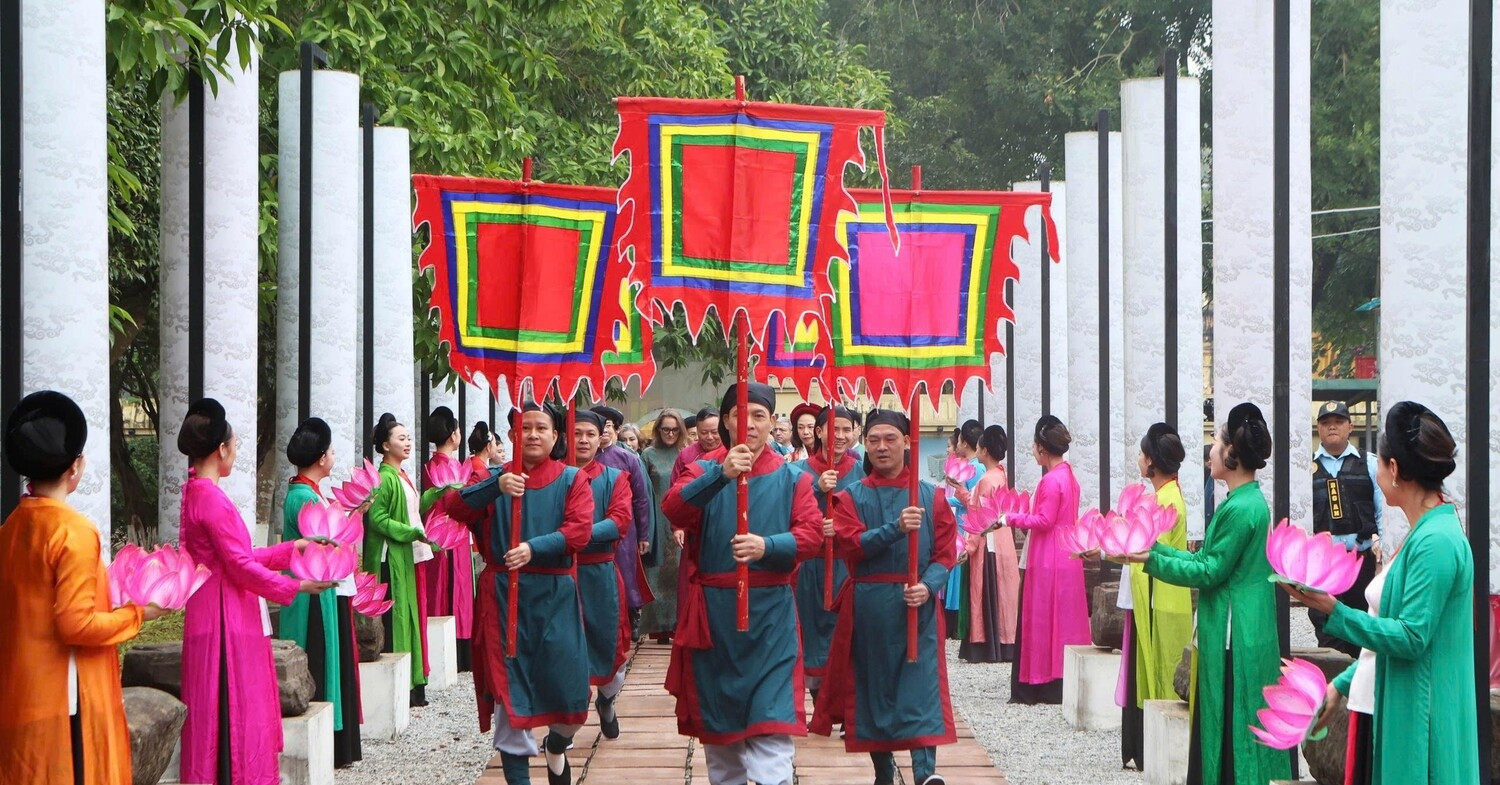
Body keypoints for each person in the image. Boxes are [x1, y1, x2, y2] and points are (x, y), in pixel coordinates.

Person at [1288, 401, 1476, 785]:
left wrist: (1335, 611)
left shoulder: (1435, 541)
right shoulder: (1425, 532)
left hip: (1421, 716)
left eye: (1381, 461)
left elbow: (1410, 637)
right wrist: (1342, 684)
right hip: (1395, 702)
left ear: (1393, 470)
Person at [1119, 402, 1290, 785]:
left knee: (1227, 721)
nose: (1210, 450)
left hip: (1234, 632)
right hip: (1242, 626)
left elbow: (1209, 570)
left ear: (1231, 454)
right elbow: (1208, 560)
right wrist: (1154, 553)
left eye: (1215, 441)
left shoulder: (1240, 509)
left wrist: (1152, 558)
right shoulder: (1245, 503)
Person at [661, 382, 823, 785]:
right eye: (739, 414)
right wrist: (720, 475)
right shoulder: (700, 469)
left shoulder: (793, 479)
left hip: (770, 619)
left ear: (772, 422)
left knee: (772, 732)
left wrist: (767, 546)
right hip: (715, 620)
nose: (748, 423)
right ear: (726, 420)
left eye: (759, 415)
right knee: (722, 741)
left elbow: (812, 536)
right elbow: (674, 509)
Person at [0, 390, 163, 785]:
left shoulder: (11, 528)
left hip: (19, 696)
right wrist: (139, 614)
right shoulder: (73, 531)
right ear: (75, 468)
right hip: (64, 701)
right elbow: (76, 624)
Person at [176, 398, 333, 785]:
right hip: (226, 615)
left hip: (215, 606)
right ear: (221, 449)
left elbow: (235, 556)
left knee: (218, 713)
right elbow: (239, 565)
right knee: (236, 713)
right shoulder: (210, 498)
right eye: (236, 444)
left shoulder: (196, 491)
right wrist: (297, 585)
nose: (236, 451)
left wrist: (290, 549)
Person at [444, 401, 593, 785]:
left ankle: (556, 747)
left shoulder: (572, 479)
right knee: (511, 702)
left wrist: (533, 547)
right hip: (504, 599)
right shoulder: (497, 478)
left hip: (555, 597)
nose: (532, 434)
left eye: (541, 428)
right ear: (512, 434)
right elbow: (453, 507)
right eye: (525, 428)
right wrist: (496, 485)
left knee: (572, 698)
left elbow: (579, 532)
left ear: (555, 436)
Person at [810, 409, 958, 785]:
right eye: (873, 440)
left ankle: (926, 773)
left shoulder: (932, 496)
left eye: (890, 438)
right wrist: (895, 529)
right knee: (874, 689)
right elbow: (851, 544)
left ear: (907, 442)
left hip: (917, 605)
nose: (881, 447)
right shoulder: (850, 497)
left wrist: (928, 586)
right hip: (870, 606)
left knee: (920, 686)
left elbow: (945, 553)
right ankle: (883, 771)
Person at [279, 417, 363, 768]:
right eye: (330, 450)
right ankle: (328, 744)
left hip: (321, 589)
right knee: (319, 656)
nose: (332, 456)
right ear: (321, 458)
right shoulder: (303, 498)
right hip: (311, 593)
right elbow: (323, 544)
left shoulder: (307, 494)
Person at [998, 415, 1090, 704]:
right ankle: (1059, 679)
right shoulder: (1069, 477)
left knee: (1040, 618)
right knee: (1064, 620)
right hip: (1067, 555)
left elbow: (1043, 519)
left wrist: (1008, 518)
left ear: (1042, 448)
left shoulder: (1051, 481)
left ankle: (1037, 680)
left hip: (1047, 557)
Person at [1117, 423, 1193, 770]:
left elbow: (1147, 549)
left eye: (1142, 453)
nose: (1139, 458)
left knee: (1159, 669)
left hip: (1159, 597)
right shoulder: (1165, 495)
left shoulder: (1165, 499)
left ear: (1152, 462)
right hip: (1154, 594)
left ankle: (1152, 748)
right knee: (1148, 667)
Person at [787, 405, 865, 703]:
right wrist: (818, 490)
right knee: (812, 633)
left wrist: (843, 530)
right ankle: (820, 701)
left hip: (846, 567)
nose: (841, 436)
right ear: (818, 432)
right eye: (835, 429)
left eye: (847, 429)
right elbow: (789, 515)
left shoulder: (859, 470)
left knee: (847, 633)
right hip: (809, 568)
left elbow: (866, 517)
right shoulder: (797, 472)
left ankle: (846, 704)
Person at [361, 413, 433, 708]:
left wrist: (439, 494)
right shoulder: (384, 479)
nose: (407, 443)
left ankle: (413, 682)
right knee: (399, 617)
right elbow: (377, 520)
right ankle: (405, 686)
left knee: (409, 615)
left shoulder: (400, 475)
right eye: (401, 438)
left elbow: (412, 509)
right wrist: (411, 532)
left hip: (403, 553)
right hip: (389, 557)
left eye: (408, 438)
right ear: (384, 446)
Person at [570, 410, 633, 739]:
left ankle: (607, 700)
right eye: (577, 433)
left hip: (600, 574)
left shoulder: (614, 478)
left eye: (590, 434)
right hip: (559, 575)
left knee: (613, 653)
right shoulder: (554, 476)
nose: (583, 439)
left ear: (601, 439)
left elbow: (619, 521)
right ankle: (563, 729)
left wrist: (575, 534)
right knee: (563, 649)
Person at [1308, 400, 1384, 657]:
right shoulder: (1305, 469)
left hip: (1360, 561)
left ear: (1350, 426)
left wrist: (1382, 549)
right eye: (1326, 423)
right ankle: (1333, 687)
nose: (1332, 428)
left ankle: (1357, 688)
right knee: (1326, 628)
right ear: (1318, 428)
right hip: (1323, 565)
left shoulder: (1370, 464)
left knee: (1361, 626)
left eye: (1338, 422)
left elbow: (1382, 510)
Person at [590, 404, 655, 640]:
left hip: (624, 528)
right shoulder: (582, 456)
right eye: (600, 426)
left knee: (626, 572)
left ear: (616, 430)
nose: (604, 431)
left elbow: (641, 499)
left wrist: (644, 535)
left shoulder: (628, 458)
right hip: (589, 524)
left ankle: (632, 616)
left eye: (608, 426)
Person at [418, 406, 475, 672]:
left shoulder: (430, 466)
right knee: (457, 587)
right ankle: (460, 644)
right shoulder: (454, 468)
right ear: (453, 435)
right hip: (452, 535)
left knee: (439, 588)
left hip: (435, 534)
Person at [958, 424, 1019, 664]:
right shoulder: (1001, 476)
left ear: (983, 450)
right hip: (1002, 540)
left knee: (983, 591)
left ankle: (984, 643)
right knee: (1003, 593)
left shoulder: (985, 480)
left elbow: (977, 515)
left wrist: (968, 546)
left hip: (987, 541)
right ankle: (1004, 642)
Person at [640, 409, 687, 642]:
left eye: (674, 429)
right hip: (656, 518)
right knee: (656, 572)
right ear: (658, 430)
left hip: (680, 519)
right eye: (665, 429)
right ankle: (657, 627)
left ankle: (678, 625)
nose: (670, 433)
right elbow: (641, 492)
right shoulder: (647, 455)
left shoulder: (686, 454)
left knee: (679, 573)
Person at [671, 407, 725, 485]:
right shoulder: (685, 456)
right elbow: (675, 488)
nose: (709, 437)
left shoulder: (729, 452)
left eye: (714, 432)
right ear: (697, 432)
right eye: (704, 432)